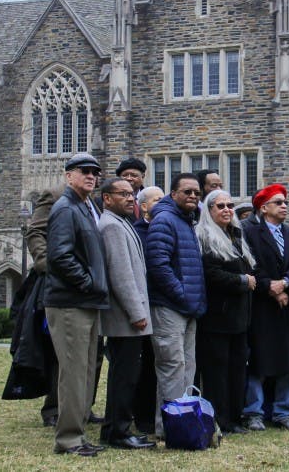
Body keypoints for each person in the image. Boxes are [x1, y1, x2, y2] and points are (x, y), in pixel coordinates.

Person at [44, 152, 110, 457]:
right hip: (70, 302)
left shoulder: (85, 207)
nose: (91, 176)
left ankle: (79, 433)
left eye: (95, 172)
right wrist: (87, 283)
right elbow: (59, 256)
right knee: (72, 372)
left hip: (87, 301)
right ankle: (68, 438)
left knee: (85, 371)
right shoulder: (65, 208)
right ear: (68, 175)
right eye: (84, 171)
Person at [145, 172, 207, 439]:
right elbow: (158, 266)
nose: (193, 196)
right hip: (170, 308)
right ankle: (172, 428)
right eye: (187, 192)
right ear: (173, 194)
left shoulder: (186, 221)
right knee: (171, 368)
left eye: (196, 192)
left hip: (188, 308)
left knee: (187, 369)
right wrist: (181, 295)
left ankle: (182, 421)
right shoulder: (165, 220)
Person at [242, 183, 289, 431]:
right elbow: (250, 264)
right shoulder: (250, 233)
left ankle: (283, 411)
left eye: (285, 203)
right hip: (261, 306)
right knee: (259, 360)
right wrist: (270, 287)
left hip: (288, 306)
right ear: (264, 207)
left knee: (288, 360)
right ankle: (254, 411)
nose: (284, 206)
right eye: (278, 202)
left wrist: (286, 283)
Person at [97, 177, 155, 449]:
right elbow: (120, 275)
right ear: (107, 198)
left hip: (130, 316)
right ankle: (118, 432)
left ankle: (113, 429)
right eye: (123, 194)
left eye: (132, 194)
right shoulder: (110, 226)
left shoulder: (122, 223)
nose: (130, 198)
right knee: (124, 376)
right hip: (125, 319)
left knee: (126, 374)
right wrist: (136, 312)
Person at [195, 189, 257, 436]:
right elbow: (210, 274)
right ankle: (219, 418)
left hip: (239, 318)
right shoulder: (203, 236)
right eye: (219, 206)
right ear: (209, 211)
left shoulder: (236, 235)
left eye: (230, 205)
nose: (226, 210)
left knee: (236, 369)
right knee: (217, 372)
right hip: (217, 319)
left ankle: (234, 417)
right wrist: (241, 281)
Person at [23, 184, 65, 428]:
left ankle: (82, 405)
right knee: (58, 350)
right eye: (85, 171)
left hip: (92, 289)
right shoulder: (55, 195)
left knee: (92, 356)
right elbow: (36, 232)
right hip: (58, 284)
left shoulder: (98, 201)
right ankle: (53, 407)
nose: (91, 176)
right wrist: (46, 264)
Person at [131, 184, 164, 434]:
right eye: (157, 200)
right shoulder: (137, 233)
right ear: (143, 206)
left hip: (164, 307)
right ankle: (142, 418)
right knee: (143, 366)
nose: (163, 204)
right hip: (145, 307)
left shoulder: (167, 228)